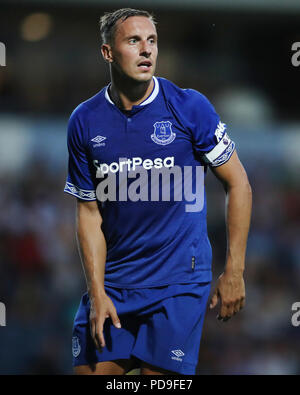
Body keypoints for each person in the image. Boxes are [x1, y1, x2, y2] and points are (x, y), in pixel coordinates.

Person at [64, 8, 252, 375]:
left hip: (177, 284)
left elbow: (238, 183)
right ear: (108, 53)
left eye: (151, 41)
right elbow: (88, 212)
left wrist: (234, 270)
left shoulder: (189, 107)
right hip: (116, 283)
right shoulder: (84, 121)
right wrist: (97, 291)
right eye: (134, 41)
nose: (146, 50)